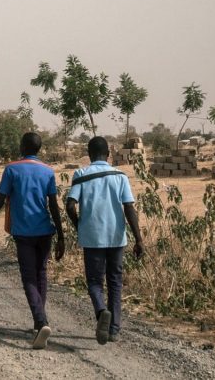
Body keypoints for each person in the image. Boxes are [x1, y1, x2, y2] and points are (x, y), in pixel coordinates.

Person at [0, 132, 65, 350]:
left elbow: (2, 197)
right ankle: (38, 321)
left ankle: (41, 322)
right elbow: (53, 206)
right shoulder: (48, 171)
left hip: (23, 233)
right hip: (45, 232)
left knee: (28, 276)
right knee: (41, 273)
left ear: (22, 146)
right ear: (39, 149)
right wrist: (61, 235)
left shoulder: (12, 169)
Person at [66, 136, 143, 345]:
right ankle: (114, 330)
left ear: (88, 154)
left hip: (92, 238)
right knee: (115, 282)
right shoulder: (120, 176)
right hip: (117, 237)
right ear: (108, 154)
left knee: (94, 282)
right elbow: (129, 208)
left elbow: (70, 205)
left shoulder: (81, 174)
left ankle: (101, 312)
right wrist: (139, 239)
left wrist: (79, 225)